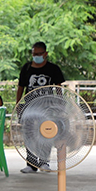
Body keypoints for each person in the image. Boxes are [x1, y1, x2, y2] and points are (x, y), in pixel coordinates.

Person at [16, 41, 65, 173]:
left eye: (39, 54)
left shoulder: (53, 69)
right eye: (34, 54)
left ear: (45, 54)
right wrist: (18, 104)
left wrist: (60, 103)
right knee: (29, 134)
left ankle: (44, 162)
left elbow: (58, 87)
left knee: (47, 132)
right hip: (29, 107)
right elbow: (21, 87)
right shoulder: (26, 68)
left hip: (47, 107)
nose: (36, 56)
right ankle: (31, 164)